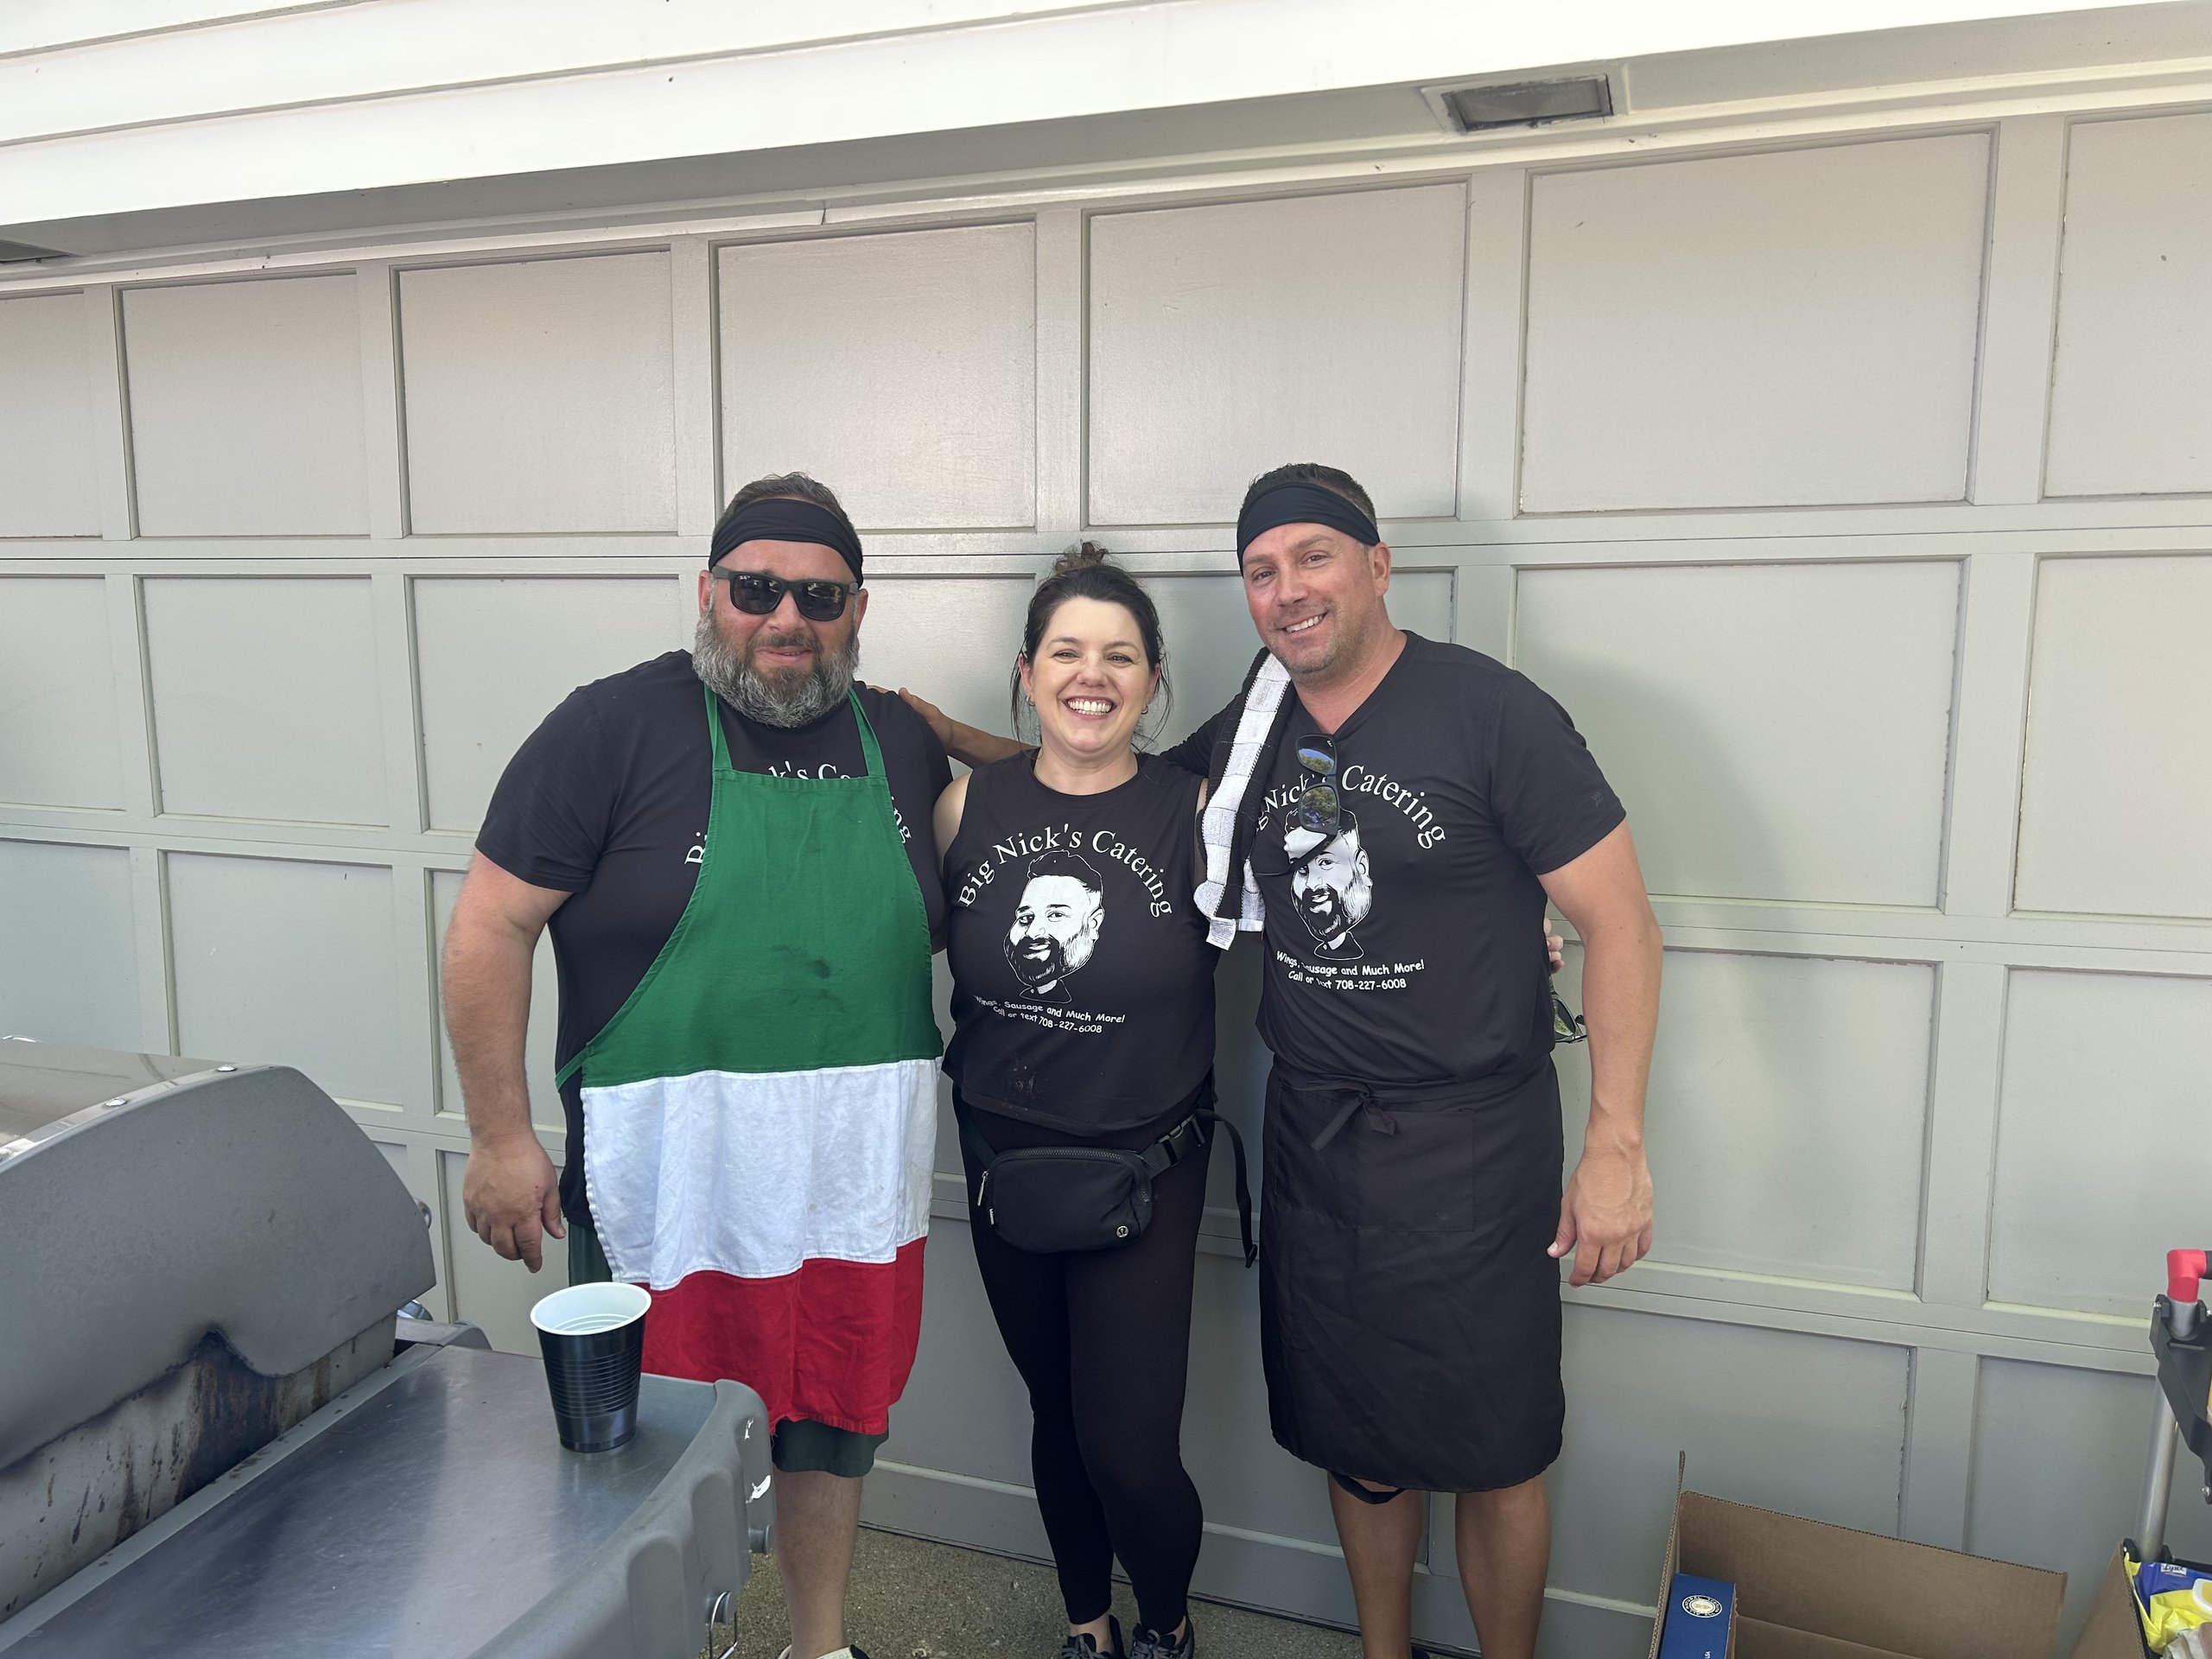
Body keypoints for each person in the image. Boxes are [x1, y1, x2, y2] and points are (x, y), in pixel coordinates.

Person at [906, 463, 1662, 1659]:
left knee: (1498, 1448)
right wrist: (950, 738)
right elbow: (1094, 779)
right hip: (1317, 1133)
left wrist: (1617, 1143)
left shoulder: (1491, 712)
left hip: (1473, 1140)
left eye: (1315, 557)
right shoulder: (1258, 725)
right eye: (1262, 570)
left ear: (1379, 566)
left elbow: (1622, 924)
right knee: (1355, 1440)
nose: (1288, 589)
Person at [445, 473, 950, 1659]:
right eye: (755, 588)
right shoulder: (609, 730)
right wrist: (500, 1135)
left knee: (833, 1427)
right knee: (651, 1448)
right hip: (667, 1189)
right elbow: (488, 926)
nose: (787, 617)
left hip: (847, 1188)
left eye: (819, 596)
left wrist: (981, 734)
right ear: (707, 591)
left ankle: (819, 1646)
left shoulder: (903, 741)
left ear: (859, 608)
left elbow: (1064, 786)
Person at [936, 545, 1235, 1659]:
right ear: (1027, 673)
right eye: (1067, 652)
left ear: (1153, 681)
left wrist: (1503, 928)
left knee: (1130, 1449)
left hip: (1145, 1169)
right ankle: (1088, 1627)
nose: (1091, 675)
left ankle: (1165, 1627)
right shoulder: (965, 807)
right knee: (1055, 1415)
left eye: (1120, 655)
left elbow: (1338, 897)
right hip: (1003, 1164)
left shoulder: (1197, 815)